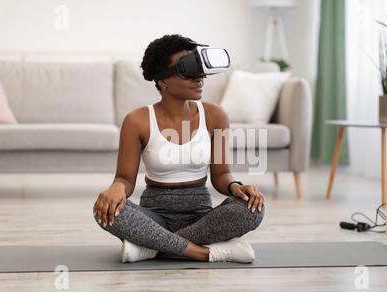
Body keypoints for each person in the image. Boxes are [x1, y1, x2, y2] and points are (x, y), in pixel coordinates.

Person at [93, 34, 265, 264]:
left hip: (202, 218)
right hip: (154, 218)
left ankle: (150, 248)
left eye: (200, 69)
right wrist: (116, 188)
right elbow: (125, 179)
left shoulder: (215, 116)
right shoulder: (137, 120)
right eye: (189, 70)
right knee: (106, 211)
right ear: (163, 80)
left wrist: (237, 187)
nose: (200, 78)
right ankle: (208, 252)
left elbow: (222, 175)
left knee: (252, 209)